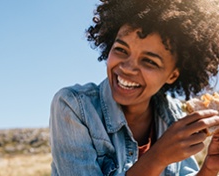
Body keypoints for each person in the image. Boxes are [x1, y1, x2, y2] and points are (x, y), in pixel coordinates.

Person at [49, 0, 219, 175]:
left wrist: (210, 168)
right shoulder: (74, 106)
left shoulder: (174, 116)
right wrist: (158, 156)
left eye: (149, 61)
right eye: (121, 50)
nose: (127, 68)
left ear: (172, 75)